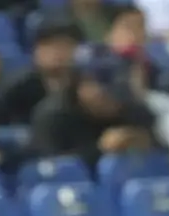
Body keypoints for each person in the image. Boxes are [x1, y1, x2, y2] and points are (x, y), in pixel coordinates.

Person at [31, 44, 159, 168]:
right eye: (102, 83)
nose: (110, 95)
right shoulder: (53, 116)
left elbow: (165, 161)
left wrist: (146, 143)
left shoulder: (135, 111)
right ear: (80, 84)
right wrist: (101, 149)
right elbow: (51, 169)